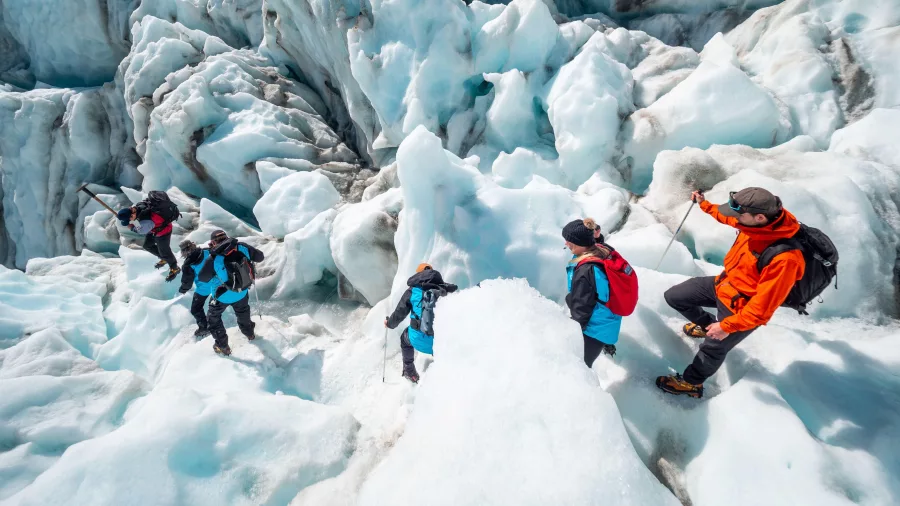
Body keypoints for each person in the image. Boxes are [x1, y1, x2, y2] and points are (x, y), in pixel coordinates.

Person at [656, 188, 805, 398]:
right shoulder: (755, 224)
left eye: (739, 216)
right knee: (675, 297)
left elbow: (762, 310)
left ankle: (692, 384)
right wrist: (704, 204)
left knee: (714, 348)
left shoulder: (784, 259)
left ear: (759, 217)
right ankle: (707, 326)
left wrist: (727, 327)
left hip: (743, 308)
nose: (735, 219)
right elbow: (726, 216)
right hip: (724, 285)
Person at [384, 263, 458, 383]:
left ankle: (409, 371)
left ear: (418, 274)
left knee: (405, 337)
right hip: (440, 345)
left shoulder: (412, 291)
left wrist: (389, 323)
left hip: (416, 340)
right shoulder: (444, 290)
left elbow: (399, 314)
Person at [563, 218, 620, 367]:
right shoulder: (601, 249)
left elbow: (581, 311)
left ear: (581, 244)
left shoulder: (585, 272)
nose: (566, 243)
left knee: (581, 365)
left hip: (595, 328)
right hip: (609, 316)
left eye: (569, 241)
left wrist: (573, 332)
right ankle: (606, 343)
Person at [206, 230, 265, 356]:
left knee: (213, 318)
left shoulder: (214, 257)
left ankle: (223, 346)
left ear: (213, 243)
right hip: (242, 291)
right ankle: (249, 333)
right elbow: (260, 257)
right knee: (243, 311)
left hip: (222, 295)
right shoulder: (241, 246)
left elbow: (202, 277)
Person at [117, 205, 180, 281]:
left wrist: (131, 227)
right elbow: (139, 223)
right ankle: (164, 258)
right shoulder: (137, 209)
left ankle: (174, 268)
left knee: (165, 251)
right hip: (153, 230)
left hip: (163, 231)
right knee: (147, 245)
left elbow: (141, 231)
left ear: (132, 214)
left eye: (129, 219)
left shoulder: (146, 221)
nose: (129, 221)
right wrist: (132, 221)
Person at [177, 240, 220, 338]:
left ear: (183, 252)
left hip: (204, 288)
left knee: (195, 309)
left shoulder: (188, 264)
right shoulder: (207, 251)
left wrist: (183, 289)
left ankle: (204, 328)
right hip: (218, 283)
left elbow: (187, 282)